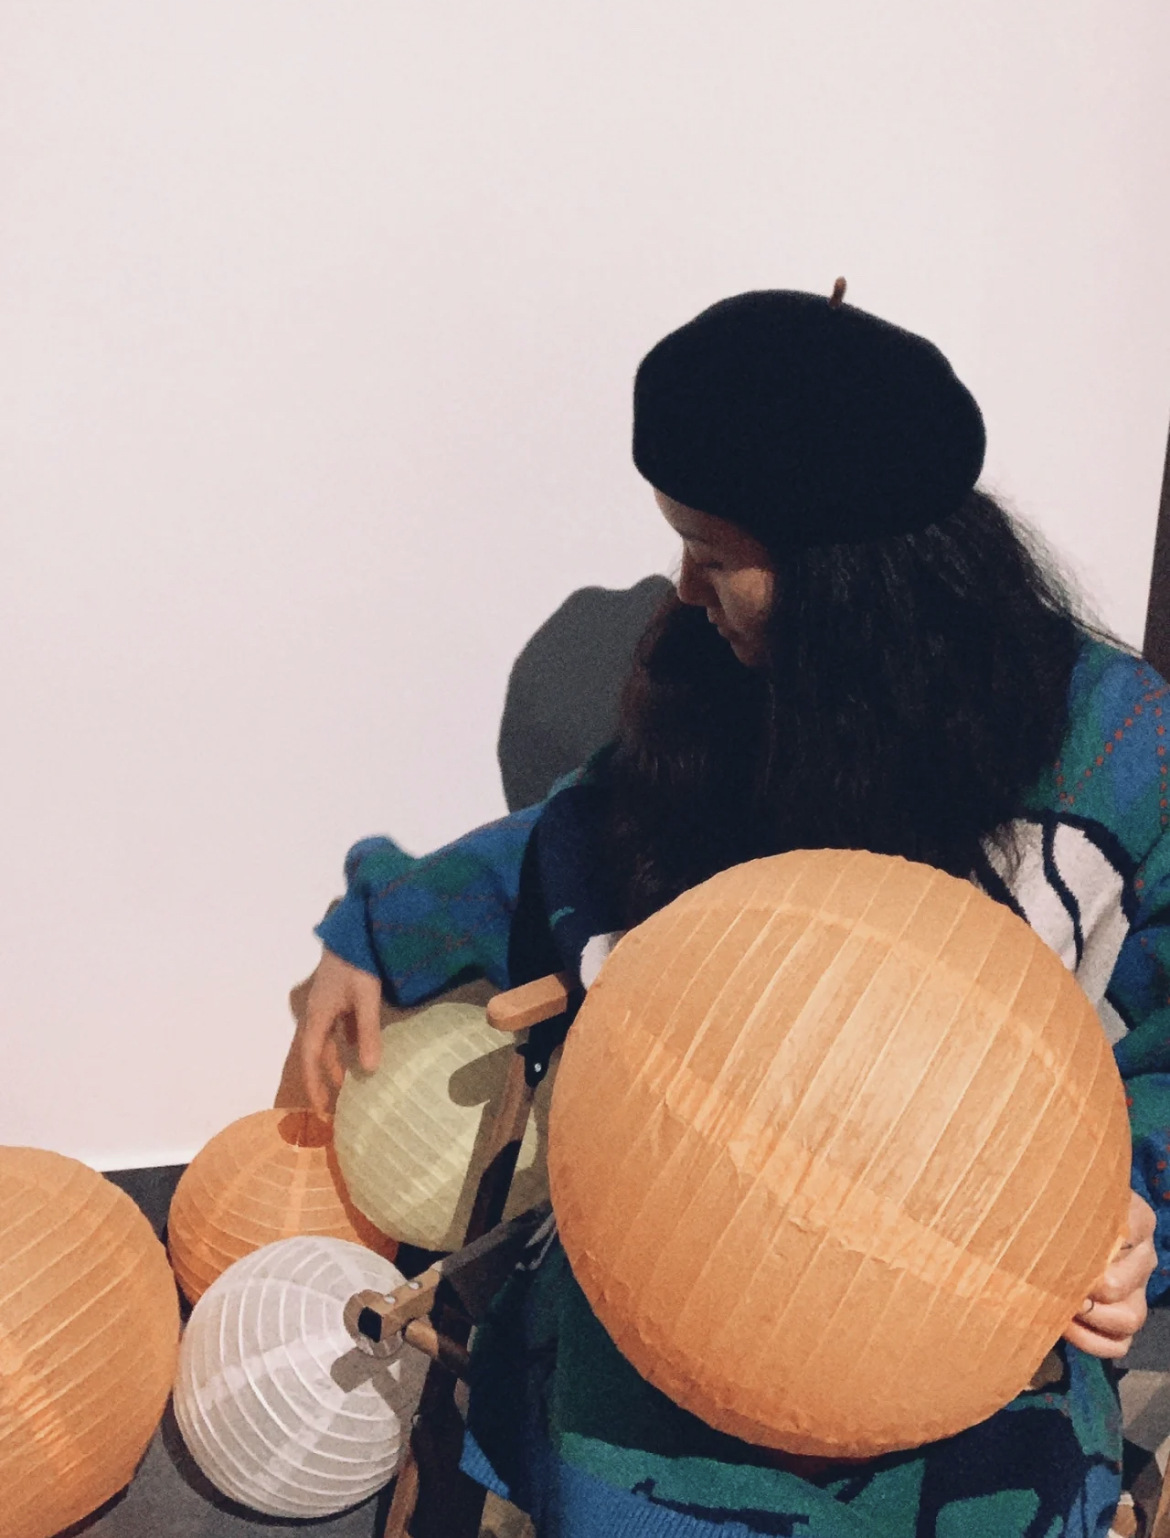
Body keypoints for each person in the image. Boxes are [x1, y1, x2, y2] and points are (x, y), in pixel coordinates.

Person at [295, 287, 1169, 1537]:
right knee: (622, 1487)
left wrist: (1122, 1213)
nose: (685, 590)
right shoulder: (724, 691)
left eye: (712, 555)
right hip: (696, 1240)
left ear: (849, 580)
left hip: (966, 1277)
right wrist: (379, 924)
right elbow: (570, 839)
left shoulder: (1116, 753)